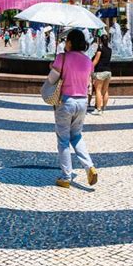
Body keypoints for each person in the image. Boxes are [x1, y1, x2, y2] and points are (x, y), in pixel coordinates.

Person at [45, 29, 98, 189]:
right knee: (76, 135)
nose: (65, 43)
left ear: (70, 42)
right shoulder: (88, 61)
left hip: (66, 101)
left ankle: (66, 176)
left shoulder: (62, 57)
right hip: (82, 102)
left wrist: (52, 67)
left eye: (67, 40)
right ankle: (89, 166)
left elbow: (51, 79)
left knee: (63, 140)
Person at [91, 34, 112, 116]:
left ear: (100, 40)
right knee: (105, 90)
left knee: (98, 90)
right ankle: (103, 107)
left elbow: (96, 60)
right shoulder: (109, 49)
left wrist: (89, 68)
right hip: (108, 72)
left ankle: (98, 109)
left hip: (100, 71)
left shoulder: (100, 49)